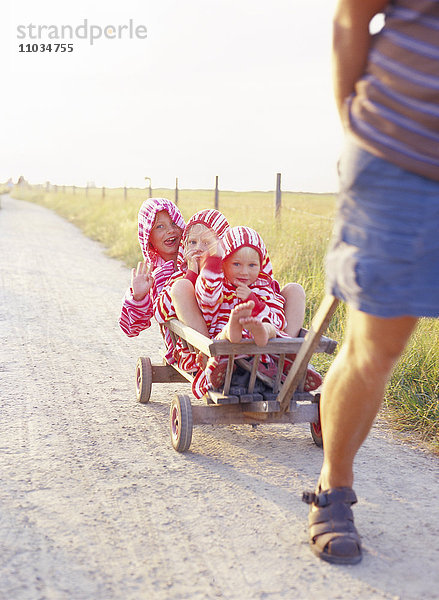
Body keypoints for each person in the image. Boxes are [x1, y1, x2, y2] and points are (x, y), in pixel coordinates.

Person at [302, 0, 439, 565]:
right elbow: (352, 14)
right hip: (399, 156)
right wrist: (358, 128)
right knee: (377, 346)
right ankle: (333, 487)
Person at [154, 208, 230, 370]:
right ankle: (209, 358)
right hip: (198, 346)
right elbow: (160, 312)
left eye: (207, 243)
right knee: (180, 288)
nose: (198, 248)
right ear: (184, 245)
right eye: (192, 242)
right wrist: (192, 274)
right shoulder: (179, 277)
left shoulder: (230, 274)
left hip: (228, 337)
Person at [118, 198, 185, 341]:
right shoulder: (154, 277)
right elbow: (130, 328)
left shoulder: (194, 256)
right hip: (182, 344)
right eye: (160, 226)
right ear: (148, 237)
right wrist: (138, 297)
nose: (170, 230)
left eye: (174, 223)